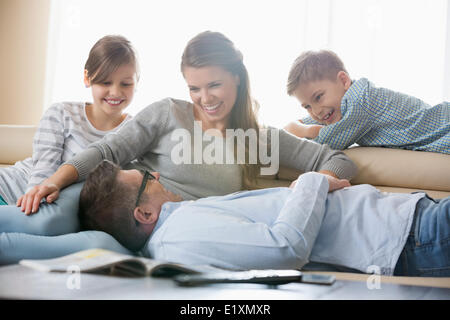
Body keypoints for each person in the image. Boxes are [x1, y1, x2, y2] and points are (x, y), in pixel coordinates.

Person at [17, 31, 357, 217]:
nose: (204, 98)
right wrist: (54, 181)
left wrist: (317, 182)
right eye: (194, 88)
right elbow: (108, 149)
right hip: (119, 216)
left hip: (173, 236)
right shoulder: (169, 113)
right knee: (44, 221)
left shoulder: (259, 138)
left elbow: (339, 160)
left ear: (237, 80)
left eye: (213, 85)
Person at [79, 160, 450, 277]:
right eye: (147, 178)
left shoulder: (180, 222)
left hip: (408, 220)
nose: (157, 176)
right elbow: (284, 248)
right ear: (144, 213)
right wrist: (311, 181)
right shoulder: (178, 237)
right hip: (410, 237)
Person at [0, 35, 137, 206]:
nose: (115, 92)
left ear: (137, 82)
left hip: (55, 212)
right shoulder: (61, 114)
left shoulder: (136, 132)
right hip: (10, 191)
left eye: (125, 84)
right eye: (105, 82)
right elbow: (41, 176)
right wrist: (34, 212)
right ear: (87, 78)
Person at [284, 50, 450, 153]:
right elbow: (293, 127)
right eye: (307, 106)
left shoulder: (361, 101)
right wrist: (297, 127)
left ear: (343, 81)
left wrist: (306, 131)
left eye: (318, 97)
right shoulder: (337, 107)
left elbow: (327, 142)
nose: (316, 111)